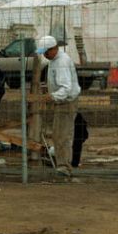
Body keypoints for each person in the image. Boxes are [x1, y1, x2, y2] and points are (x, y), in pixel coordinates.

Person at [36, 35, 81, 178]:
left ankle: (64, 167)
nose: (44, 55)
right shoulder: (55, 60)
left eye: (46, 52)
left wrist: (51, 96)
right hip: (62, 102)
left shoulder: (61, 62)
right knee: (59, 134)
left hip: (66, 103)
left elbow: (65, 88)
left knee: (62, 135)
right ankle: (60, 161)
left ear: (54, 49)